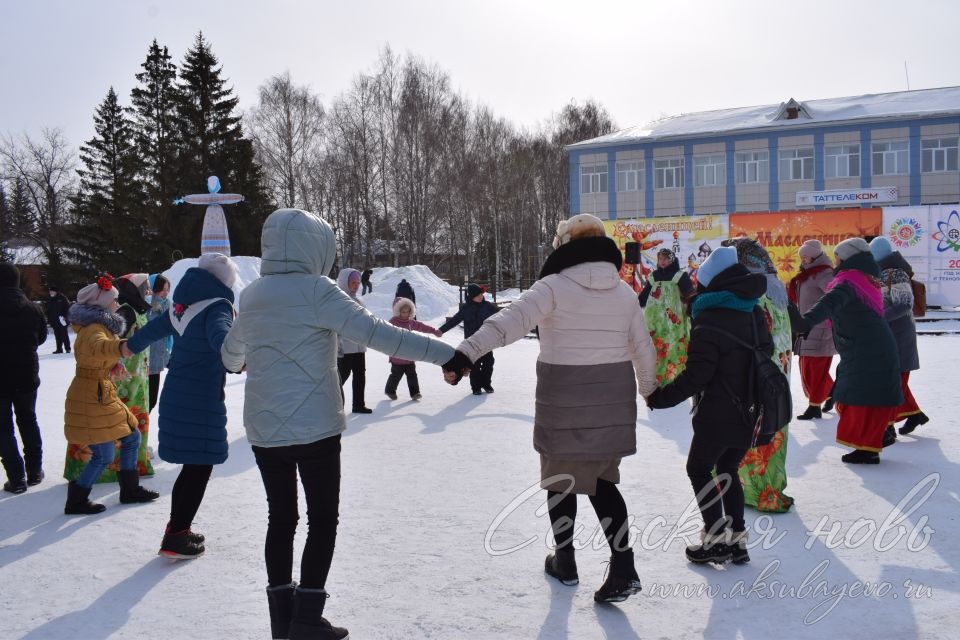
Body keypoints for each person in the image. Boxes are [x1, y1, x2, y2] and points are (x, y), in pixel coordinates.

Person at [221, 209, 455, 640]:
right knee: (322, 518)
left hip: (263, 427)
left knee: (281, 518)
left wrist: (244, 358)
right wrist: (449, 354)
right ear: (317, 248)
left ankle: (282, 621)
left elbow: (231, 356)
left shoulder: (251, 295)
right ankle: (306, 620)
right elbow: (383, 334)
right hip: (315, 429)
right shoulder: (319, 290)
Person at [443, 213, 657, 603]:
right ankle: (623, 566)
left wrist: (464, 355)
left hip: (565, 397)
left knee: (561, 481)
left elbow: (505, 323)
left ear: (563, 246)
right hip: (612, 398)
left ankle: (566, 560)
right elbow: (642, 345)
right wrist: (650, 389)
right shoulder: (624, 292)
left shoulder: (553, 286)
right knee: (604, 483)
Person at [647, 246, 772, 564]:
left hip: (718, 411)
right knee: (728, 468)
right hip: (751, 409)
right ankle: (737, 543)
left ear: (710, 283)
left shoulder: (710, 318)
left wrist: (659, 398)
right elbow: (766, 353)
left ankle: (715, 539)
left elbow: (697, 375)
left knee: (699, 468)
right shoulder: (754, 311)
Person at [123, 253, 238, 558]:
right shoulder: (217, 306)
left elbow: (150, 331)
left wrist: (124, 348)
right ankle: (177, 535)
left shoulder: (182, 306)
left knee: (194, 466)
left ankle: (177, 530)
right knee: (199, 466)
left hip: (178, 394)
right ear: (224, 282)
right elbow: (221, 338)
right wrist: (238, 360)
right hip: (200, 399)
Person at [789, 238, 902, 464]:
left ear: (848, 257)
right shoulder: (863, 278)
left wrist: (805, 321)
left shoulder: (848, 282)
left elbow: (829, 302)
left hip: (867, 349)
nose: (836, 259)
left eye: (839, 255)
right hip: (868, 346)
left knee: (858, 398)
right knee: (864, 395)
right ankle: (878, 436)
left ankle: (869, 447)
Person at [63, 275, 159, 515]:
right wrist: (120, 348)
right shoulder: (94, 329)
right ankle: (78, 499)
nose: (117, 304)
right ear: (103, 304)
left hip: (100, 390)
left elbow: (98, 352)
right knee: (104, 454)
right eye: (114, 300)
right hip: (92, 394)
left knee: (131, 436)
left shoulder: (100, 325)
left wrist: (113, 363)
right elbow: (98, 347)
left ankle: (129, 489)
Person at [722, 237, 794, 513]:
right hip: (777, 374)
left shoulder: (752, 290)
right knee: (773, 426)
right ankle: (768, 486)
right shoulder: (775, 285)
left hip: (755, 371)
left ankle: (750, 488)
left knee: (752, 426)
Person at [870, 236, 928, 438]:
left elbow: (904, 304)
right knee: (894, 380)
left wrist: (879, 319)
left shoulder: (896, 274)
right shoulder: (882, 272)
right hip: (890, 336)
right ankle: (914, 415)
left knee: (893, 383)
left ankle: (886, 427)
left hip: (899, 338)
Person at [0, 263, 47, 493]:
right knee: (28, 420)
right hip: (27, 374)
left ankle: (17, 477)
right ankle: (35, 471)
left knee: (3, 428)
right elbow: (40, 338)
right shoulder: (33, 309)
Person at [788, 240, 837, 420]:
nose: (803, 259)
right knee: (807, 369)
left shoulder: (824, 274)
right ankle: (831, 392)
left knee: (815, 370)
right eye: (801, 256)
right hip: (807, 327)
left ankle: (814, 407)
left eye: (806, 256)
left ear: (816, 256)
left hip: (821, 328)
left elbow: (835, 296)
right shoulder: (807, 274)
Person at [638, 247, 694, 385]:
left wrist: (692, 311)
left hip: (674, 323)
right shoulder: (653, 277)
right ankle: (656, 380)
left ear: (672, 260)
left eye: (666, 258)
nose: (663, 261)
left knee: (674, 348)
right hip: (655, 322)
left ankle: (676, 380)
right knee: (655, 349)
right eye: (660, 258)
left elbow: (691, 296)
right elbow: (642, 299)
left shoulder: (680, 276)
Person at [439, 283, 499, 395]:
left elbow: (501, 315)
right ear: (472, 296)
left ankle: (486, 384)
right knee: (474, 366)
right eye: (478, 295)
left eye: (481, 294)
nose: (481, 296)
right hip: (471, 344)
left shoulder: (488, 306)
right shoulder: (466, 309)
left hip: (486, 341)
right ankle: (476, 387)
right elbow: (454, 321)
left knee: (489, 362)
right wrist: (441, 330)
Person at [385, 297, 442, 400]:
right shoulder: (393, 322)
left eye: (408, 312)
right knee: (396, 375)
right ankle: (390, 390)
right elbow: (385, 332)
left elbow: (422, 327)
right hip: (397, 355)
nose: (405, 314)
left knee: (412, 375)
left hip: (409, 355)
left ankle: (415, 393)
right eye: (403, 312)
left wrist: (434, 331)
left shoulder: (411, 322)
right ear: (398, 311)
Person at [336, 268, 372, 414]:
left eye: (358, 282)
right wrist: (338, 344)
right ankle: (332, 405)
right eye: (353, 282)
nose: (356, 285)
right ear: (345, 282)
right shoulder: (339, 300)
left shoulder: (359, 300)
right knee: (341, 377)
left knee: (360, 375)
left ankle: (358, 404)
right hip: (345, 347)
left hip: (359, 346)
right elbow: (336, 323)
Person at [146, 273, 173, 414]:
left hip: (157, 359)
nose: (166, 293)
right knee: (143, 402)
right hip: (144, 361)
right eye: (163, 289)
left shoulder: (167, 305)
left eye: (168, 289)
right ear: (154, 288)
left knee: (151, 401)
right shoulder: (145, 305)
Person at [46, 284, 71, 353]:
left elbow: (68, 308)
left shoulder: (62, 298)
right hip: (54, 320)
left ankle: (67, 348)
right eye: (50, 291)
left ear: (56, 291)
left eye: (52, 291)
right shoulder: (49, 299)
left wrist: (65, 317)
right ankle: (59, 349)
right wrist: (49, 319)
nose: (50, 292)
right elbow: (48, 310)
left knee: (64, 334)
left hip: (63, 320)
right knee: (57, 335)